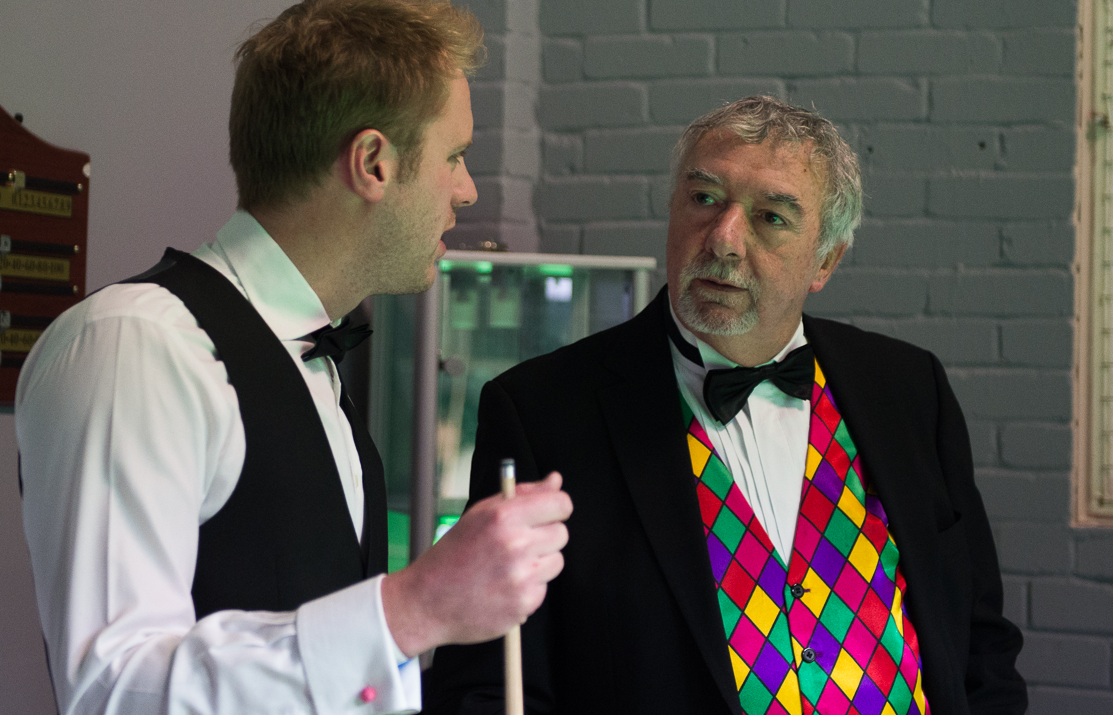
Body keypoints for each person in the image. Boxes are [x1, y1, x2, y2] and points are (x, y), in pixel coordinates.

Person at [16, 0, 571, 715]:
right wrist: (415, 607)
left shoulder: (317, 359)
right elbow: (112, 691)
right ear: (373, 162)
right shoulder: (135, 343)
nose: (466, 190)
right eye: (455, 155)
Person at [426, 96, 1026, 715]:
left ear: (825, 260)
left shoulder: (908, 388)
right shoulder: (542, 412)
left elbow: (980, 645)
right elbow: (487, 686)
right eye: (705, 198)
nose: (724, 239)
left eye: (771, 217)